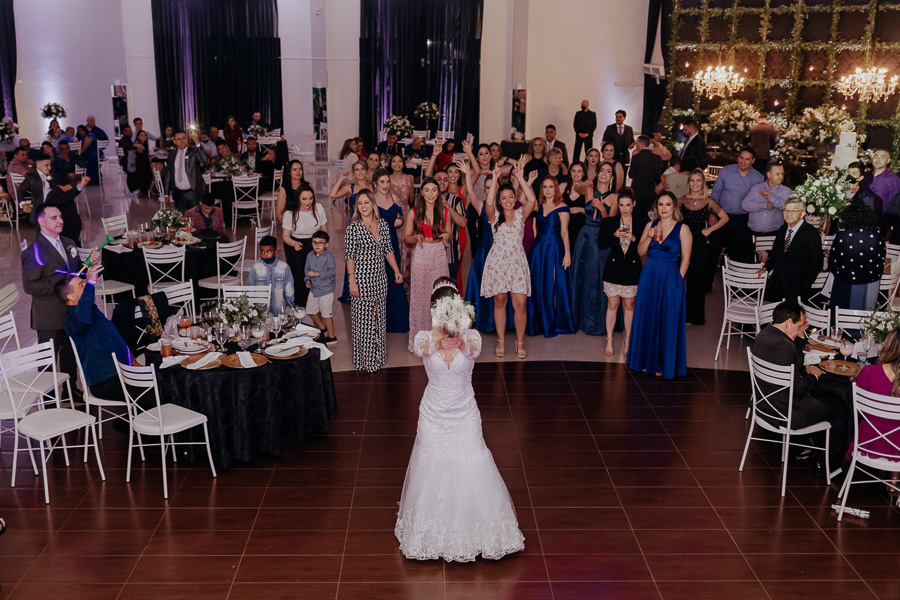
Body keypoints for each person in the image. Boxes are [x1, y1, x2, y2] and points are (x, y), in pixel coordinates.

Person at [397, 277, 525, 562]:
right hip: (432, 414)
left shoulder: (472, 338)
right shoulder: (423, 337)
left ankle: (475, 531)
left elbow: (471, 351)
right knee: (432, 465)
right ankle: (430, 532)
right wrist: (440, 336)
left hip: (465, 413)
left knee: (472, 462)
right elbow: (425, 349)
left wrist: (458, 337)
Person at [750, 299, 850, 475]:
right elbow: (800, 389)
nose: (805, 326)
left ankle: (811, 448)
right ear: (789, 322)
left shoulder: (763, 335)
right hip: (786, 411)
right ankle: (825, 463)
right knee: (839, 405)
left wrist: (799, 337)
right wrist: (814, 375)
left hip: (764, 405)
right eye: (802, 324)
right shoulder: (785, 348)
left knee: (822, 396)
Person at [21, 205, 87, 401]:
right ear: (41, 221)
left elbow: (78, 271)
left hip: (71, 312)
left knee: (69, 355)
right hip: (49, 316)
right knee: (48, 361)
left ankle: (70, 391)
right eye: (53, 217)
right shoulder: (33, 251)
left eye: (60, 216)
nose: (60, 220)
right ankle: (48, 399)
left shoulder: (69, 243)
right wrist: (62, 284)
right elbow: (30, 286)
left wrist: (88, 268)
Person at [627, 192, 692, 379]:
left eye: (668, 204)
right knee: (648, 316)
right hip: (650, 274)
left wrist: (677, 280)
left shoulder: (683, 229)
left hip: (671, 275)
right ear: (657, 207)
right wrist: (647, 237)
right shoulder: (650, 225)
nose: (663, 208)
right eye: (661, 204)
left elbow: (686, 258)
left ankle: (664, 364)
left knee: (667, 319)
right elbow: (640, 251)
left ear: (674, 207)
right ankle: (645, 361)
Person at [481, 164, 537, 358]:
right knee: (500, 301)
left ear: (515, 198)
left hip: (517, 263)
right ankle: (501, 340)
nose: (507, 201)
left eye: (511, 197)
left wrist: (520, 177)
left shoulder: (522, 214)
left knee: (520, 304)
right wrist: (495, 179)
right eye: (503, 198)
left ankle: (519, 341)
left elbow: (532, 199)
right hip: (498, 263)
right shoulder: (494, 215)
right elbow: (488, 205)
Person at [345, 190, 403, 372]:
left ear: (373, 204)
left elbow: (388, 250)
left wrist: (396, 270)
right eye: (359, 204)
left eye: (366, 203)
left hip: (380, 279)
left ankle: (379, 355)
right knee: (364, 320)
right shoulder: (353, 228)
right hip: (361, 279)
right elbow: (349, 257)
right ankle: (366, 360)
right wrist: (351, 281)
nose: (363, 206)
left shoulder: (383, 225)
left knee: (379, 317)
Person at [59, 270, 130, 403]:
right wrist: (90, 284)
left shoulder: (88, 309)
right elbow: (82, 319)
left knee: (162, 381)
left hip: (120, 374)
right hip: (105, 382)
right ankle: (131, 423)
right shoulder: (73, 320)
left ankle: (130, 421)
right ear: (71, 297)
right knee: (157, 390)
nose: (86, 286)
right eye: (81, 285)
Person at [573, 162, 619, 336]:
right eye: (602, 171)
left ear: (612, 177)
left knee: (598, 279)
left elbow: (611, 223)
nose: (604, 174)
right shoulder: (589, 191)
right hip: (585, 238)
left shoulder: (614, 198)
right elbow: (576, 188)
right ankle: (580, 319)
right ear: (597, 174)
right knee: (583, 277)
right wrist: (582, 183)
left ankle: (596, 321)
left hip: (601, 239)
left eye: (608, 172)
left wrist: (602, 209)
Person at [405, 177, 451, 351]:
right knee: (420, 296)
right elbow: (407, 237)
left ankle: (440, 340)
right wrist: (416, 237)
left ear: (438, 192)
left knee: (441, 295)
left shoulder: (444, 212)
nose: (431, 194)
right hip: (422, 253)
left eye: (434, 190)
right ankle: (420, 341)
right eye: (427, 190)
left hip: (439, 252)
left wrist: (447, 236)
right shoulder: (414, 212)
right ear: (421, 193)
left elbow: (449, 233)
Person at [600, 189, 647, 356]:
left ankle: (628, 340)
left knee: (629, 306)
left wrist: (633, 238)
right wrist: (614, 235)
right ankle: (610, 340)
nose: (625, 209)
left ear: (633, 204)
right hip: (613, 269)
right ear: (617, 205)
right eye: (621, 205)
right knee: (612, 305)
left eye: (628, 205)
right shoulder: (609, 223)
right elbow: (601, 243)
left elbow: (645, 248)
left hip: (632, 269)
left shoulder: (643, 222)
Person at [527, 176, 574, 338]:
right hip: (539, 249)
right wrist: (527, 181)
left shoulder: (562, 207)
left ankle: (555, 322)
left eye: (550, 187)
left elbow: (565, 232)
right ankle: (540, 322)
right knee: (539, 284)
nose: (547, 190)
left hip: (555, 248)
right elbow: (523, 200)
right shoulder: (538, 205)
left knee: (554, 285)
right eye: (544, 187)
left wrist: (567, 254)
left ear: (556, 189)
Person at [708, 147, 765, 280]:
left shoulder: (758, 178)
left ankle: (733, 284)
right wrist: (712, 213)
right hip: (721, 217)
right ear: (738, 157)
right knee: (713, 249)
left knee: (737, 253)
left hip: (742, 220)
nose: (743, 162)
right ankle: (707, 283)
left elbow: (758, 201)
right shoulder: (726, 171)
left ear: (753, 161)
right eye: (741, 158)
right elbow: (716, 192)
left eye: (747, 159)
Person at [680, 169, 728, 325]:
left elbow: (725, 218)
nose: (695, 184)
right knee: (680, 278)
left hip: (700, 242)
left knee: (697, 279)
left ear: (703, 183)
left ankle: (696, 317)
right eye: (692, 180)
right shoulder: (681, 200)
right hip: (683, 241)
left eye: (698, 181)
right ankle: (680, 314)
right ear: (689, 183)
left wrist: (710, 230)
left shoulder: (709, 201)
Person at [756, 198, 823, 302]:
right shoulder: (782, 229)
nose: (788, 214)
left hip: (797, 289)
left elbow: (816, 265)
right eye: (786, 210)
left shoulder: (811, 234)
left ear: (802, 213)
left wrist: (803, 287)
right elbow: (775, 255)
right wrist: (765, 268)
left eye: (794, 211)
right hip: (777, 284)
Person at [372, 168, 410, 333]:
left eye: (387, 181)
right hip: (377, 244)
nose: (386, 185)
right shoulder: (370, 200)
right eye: (382, 182)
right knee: (378, 280)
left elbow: (401, 216)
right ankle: (378, 320)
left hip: (392, 242)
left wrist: (399, 221)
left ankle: (398, 320)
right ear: (375, 183)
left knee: (394, 277)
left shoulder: (394, 198)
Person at [828, 204, 885, 310]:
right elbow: (881, 260)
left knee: (841, 317)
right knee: (867, 318)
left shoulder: (841, 235)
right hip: (870, 283)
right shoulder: (877, 235)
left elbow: (833, 262)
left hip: (844, 283)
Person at [282, 183, 328, 307]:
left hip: (315, 246)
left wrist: (321, 243)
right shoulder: (290, 214)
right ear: (298, 199)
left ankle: (317, 307)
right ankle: (299, 307)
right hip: (298, 246)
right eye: (304, 199)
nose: (308, 202)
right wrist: (294, 243)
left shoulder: (318, 208)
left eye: (311, 198)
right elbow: (285, 236)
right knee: (299, 278)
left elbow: (324, 229)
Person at [247, 235, 295, 317]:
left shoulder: (284, 268)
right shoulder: (255, 268)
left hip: (280, 313)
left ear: (276, 251)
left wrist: (291, 310)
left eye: (269, 252)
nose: (265, 255)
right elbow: (250, 290)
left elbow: (289, 291)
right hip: (261, 314)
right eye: (262, 252)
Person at [304, 230, 337, 345]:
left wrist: (317, 274)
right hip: (314, 289)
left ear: (326, 244)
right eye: (314, 243)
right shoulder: (310, 255)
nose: (317, 245)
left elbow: (332, 272)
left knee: (326, 314)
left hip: (326, 290)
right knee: (310, 311)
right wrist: (307, 280)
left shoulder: (329, 257)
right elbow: (307, 270)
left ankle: (332, 337)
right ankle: (323, 328)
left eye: (321, 243)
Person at [742, 161, 791, 237]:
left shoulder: (786, 191)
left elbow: (786, 207)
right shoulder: (756, 188)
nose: (781, 177)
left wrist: (771, 197)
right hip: (752, 233)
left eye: (782, 174)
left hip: (774, 234)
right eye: (777, 174)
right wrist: (765, 205)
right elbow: (745, 205)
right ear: (769, 175)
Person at [436, 168, 468, 282]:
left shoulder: (456, 200)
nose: (442, 182)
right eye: (438, 179)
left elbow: (463, 223)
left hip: (451, 253)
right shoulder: (427, 200)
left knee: (449, 287)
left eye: (445, 180)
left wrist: (448, 207)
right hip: (431, 252)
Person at [163, 131, 206, 211]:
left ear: (187, 139)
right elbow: (168, 175)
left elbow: (204, 159)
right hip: (178, 194)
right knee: (181, 219)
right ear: (175, 142)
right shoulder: (171, 155)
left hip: (193, 193)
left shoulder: (193, 152)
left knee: (195, 219)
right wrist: (166, 194)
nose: (182, 140)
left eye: (184, 138)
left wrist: (197, 142)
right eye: (179, 139)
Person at [47, 173, 90, 246]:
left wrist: (78, 220)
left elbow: (71, 209)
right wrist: (79, 187)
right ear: (68, 186)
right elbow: (63, 200)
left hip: (74, 233)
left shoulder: (66, 194)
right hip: (66, 236)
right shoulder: (54, 196)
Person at [628, 135, 663, 217]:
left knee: (637, 216)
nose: (636, 145)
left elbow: (631, 174)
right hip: (650, 192)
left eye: (636, 143)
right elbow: (658, 177)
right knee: (648, 216)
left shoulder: (636, 157)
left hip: (637, 192)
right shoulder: (657, 158)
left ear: (640, 144)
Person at [860, 148, 900, 218]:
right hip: (860, 219)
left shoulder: (893, 179)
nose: (878, 160)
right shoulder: (864, 176)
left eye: (882, 157)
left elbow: (895, 205)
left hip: (881, 221)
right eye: (876, 156)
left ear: (888, 161)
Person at [275, 160, 308, 224]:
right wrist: (288, 225)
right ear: (289, 172)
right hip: (291, 224)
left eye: (300, 169)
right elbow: (279, 213)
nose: (298, 172)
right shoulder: (284, 190)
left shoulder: (308, 186)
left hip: (306, 222)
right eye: (295, 170)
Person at [572, 99, 597, 164]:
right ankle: (574, 164)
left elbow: (594, 125)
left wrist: (588, 134)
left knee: (588, 152)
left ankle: (588, 165)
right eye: (582, 104)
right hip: (579, 136)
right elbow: (575, 124)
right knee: (576, 152)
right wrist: (579, 133)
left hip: (588, 136)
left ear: (587, 105)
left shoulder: (592, 114)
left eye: (584, 104)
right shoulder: (578, 114)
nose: (583, 105)